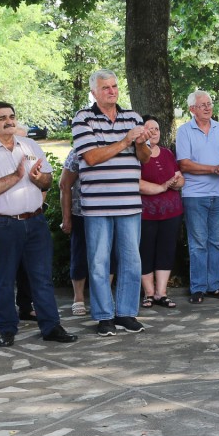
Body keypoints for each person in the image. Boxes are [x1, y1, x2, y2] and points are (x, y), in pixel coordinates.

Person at [0, 102, 77, 347]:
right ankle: (7, 329)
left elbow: (48, 181)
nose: (9, 121)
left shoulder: (30, 145)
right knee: (4, 280)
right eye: (2, 118)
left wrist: (39, 179)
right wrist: (17, 176)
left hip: (35, 221)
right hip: (3, 225)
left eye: (11, 116)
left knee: (42, 278)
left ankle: (51, 327)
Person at [71, 69, 152, 336]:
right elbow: (91, 157)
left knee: (131, 261)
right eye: (105, 87)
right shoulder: (83, 118)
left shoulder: (133, 117)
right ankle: (104, 316)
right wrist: (126, 140)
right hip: (97, 206)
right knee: (98, 262)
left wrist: (140, 144)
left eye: (115, 86)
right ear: (94, 92)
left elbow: (144, 158)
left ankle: (126, 313)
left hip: (129, 204)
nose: (112, 91)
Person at [176, 90, 219, 305]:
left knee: (217, 242)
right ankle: (198, 287)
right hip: (195, 195)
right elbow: (184, 164)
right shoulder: (184, 131)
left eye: (209, 103)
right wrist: (214, 169)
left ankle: (214, 286)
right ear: (192, 109)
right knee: (198, 243)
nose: (208, 108)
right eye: (203, 105)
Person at [137, 117, 185, 308]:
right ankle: (149, 293)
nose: (154, 132)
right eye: (150, 129)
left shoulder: (167, 153)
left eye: (157, 128)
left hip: (171, 213)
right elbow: (137, 183)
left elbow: (180, 178)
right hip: (146, 213)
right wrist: (163, 186)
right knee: (145, 251)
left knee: (166, 250)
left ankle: (161, 293)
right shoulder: (137, 155)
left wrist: (176, 182)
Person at [59, 148, 89, 315]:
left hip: (109, 211)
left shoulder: (116, 143)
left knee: (110, 255)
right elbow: (64, 184)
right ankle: (78, 298)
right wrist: (66, 218)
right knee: (79, 254)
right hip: (81, 212)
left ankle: (104, 296)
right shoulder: (78, 151)